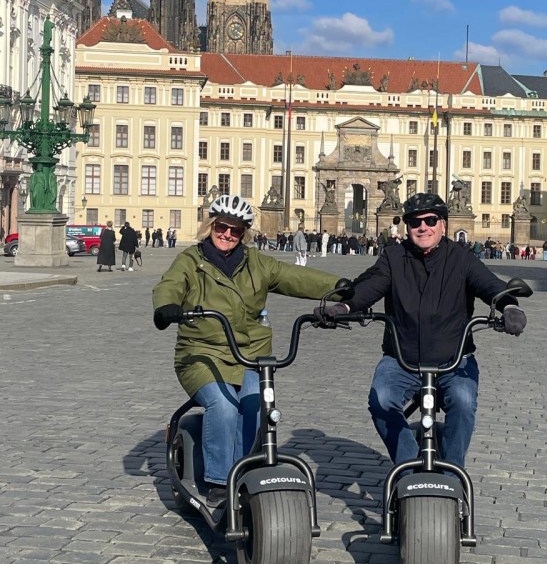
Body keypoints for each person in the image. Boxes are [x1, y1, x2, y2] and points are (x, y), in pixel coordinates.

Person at [152, 194, 343, 506]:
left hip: (251, 355)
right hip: (201, 354)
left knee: (256, 406)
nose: (227, 234)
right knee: (224, 407)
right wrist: (167, 307)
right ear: (210, 226)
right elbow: (169, 285)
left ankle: (241, 471)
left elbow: (293, 277)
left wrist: (340, 286)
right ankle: (218, 480)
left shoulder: (256, 263)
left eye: (235, 230)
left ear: (244, 234)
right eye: (222, 227)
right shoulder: (191, 261)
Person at [317, 193, 527, 470]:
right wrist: (344, 306)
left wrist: (509, 306)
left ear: (443, 224)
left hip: (454, 360)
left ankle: (453, 474)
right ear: (407, 226)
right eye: (415, 222)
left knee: (463, 404)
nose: (423, 227)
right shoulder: (393, 257)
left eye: (430, 220)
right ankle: (408, 463)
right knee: (381, 399)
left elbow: (488, 284)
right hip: (401, 359)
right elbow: (370, 286)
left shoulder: (461, 258)